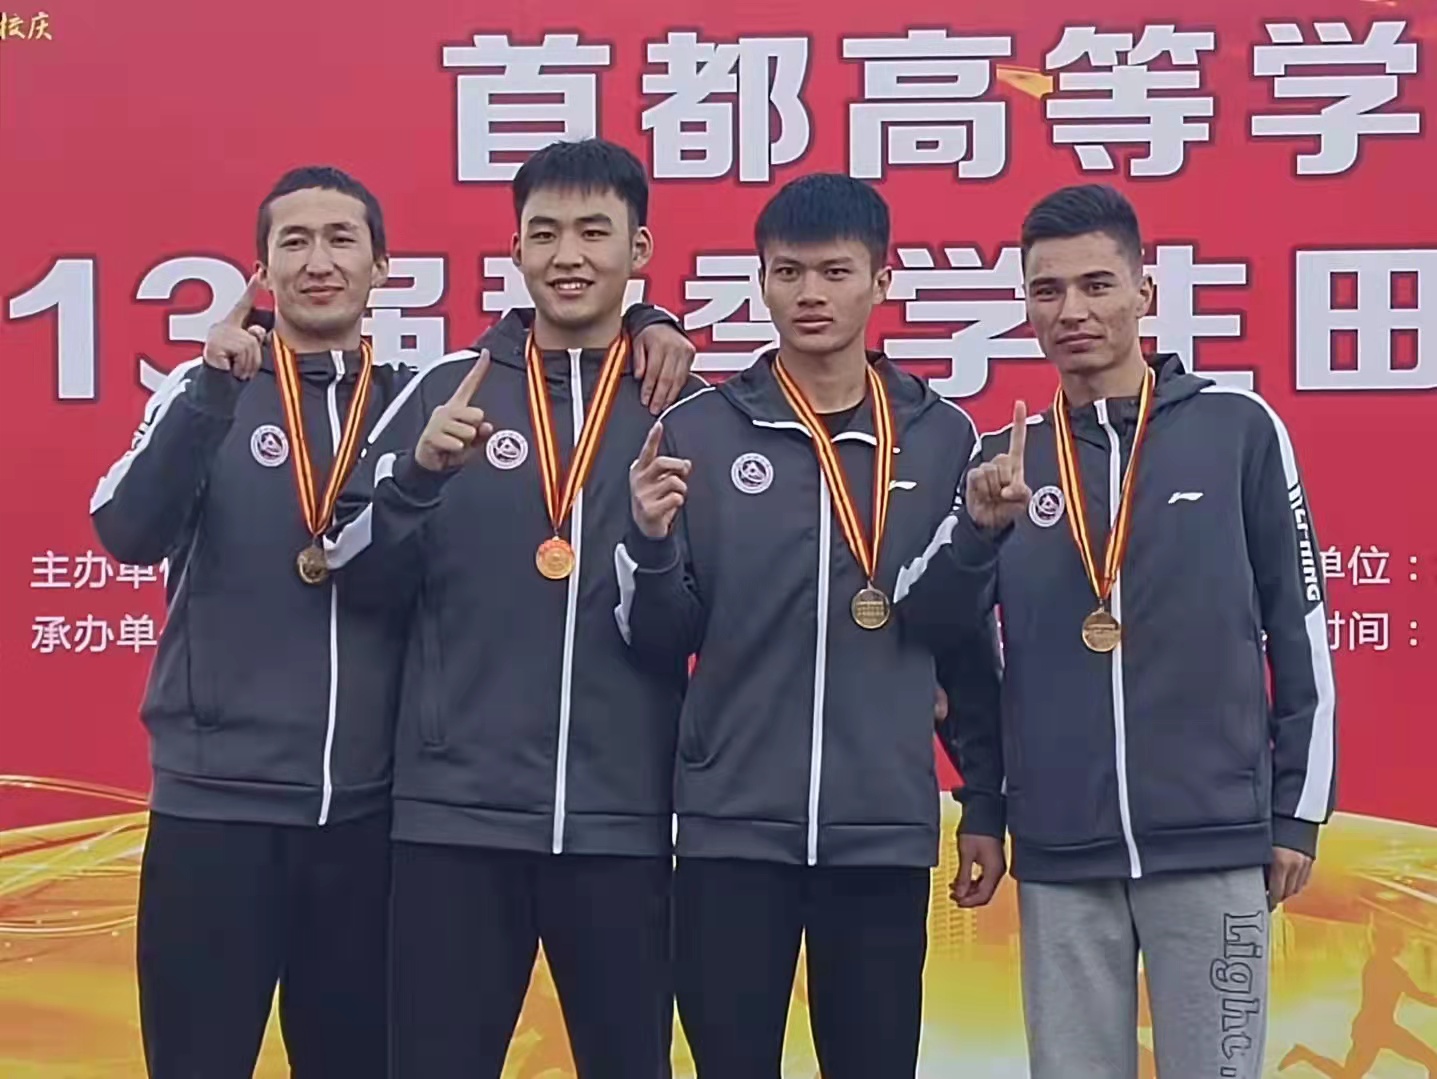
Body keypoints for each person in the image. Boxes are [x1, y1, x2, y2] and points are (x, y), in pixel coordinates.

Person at [89, 163, 693, 1079]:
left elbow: (562, 342)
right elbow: (127, 532)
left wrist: (648, 319)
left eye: (342, 241)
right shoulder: (207, 389)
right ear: (262, 269)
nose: (318, 262)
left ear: (382, 267)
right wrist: (210, 393)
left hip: (369, 817)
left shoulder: (423, 397)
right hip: (218, 805)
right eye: (294, 242)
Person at [921, 183, 1338, 1079]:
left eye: (1095, 284)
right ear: (1025, 306)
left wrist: (1297, 811)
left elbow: (1298, 623)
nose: (1071, 310)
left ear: (1144, 292)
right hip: (1060, 847)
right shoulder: (1003, 461)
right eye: (1046, 290)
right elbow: (954, 651)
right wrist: (985, 805)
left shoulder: (1236, 429)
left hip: (1212, 838)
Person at [324, 137, 699, 1079]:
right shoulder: (441, 392)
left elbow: (690, 628)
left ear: (639, 249)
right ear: (516, 249)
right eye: (544, 233)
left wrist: (652, 548)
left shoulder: (684, 410)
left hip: (623, 823)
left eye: (593, 232)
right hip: (453, 823)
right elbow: (346, 572)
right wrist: (417, 478)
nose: (568, 255)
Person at [619, 172, 1006, 1079]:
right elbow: (657, 640)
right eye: (788, 272)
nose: (810, 294)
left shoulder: (942, 436)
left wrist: (984, 801)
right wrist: (648, 542)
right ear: (760, 280)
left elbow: (964, 642)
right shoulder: (698, 431)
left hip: (880, 828)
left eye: (836, 272)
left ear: (881, 279)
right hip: (729, 831)